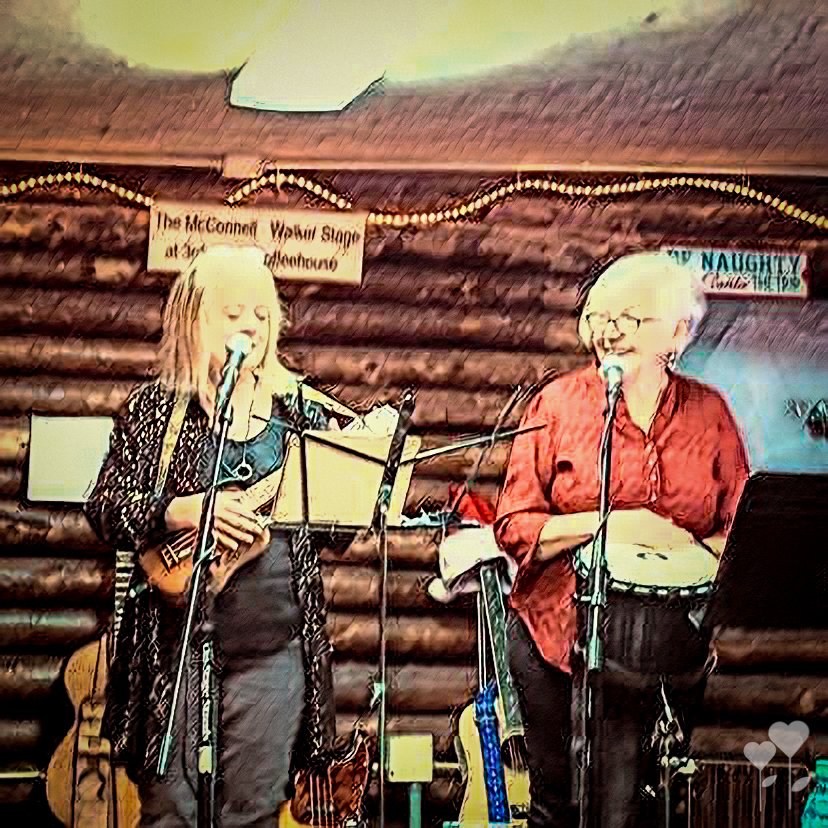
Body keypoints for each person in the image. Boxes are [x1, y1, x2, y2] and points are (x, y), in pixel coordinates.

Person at [494, 252, 750, 828]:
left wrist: (684, 550)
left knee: (638, 810)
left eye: (631, 318)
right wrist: (611, 522)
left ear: (678, 332)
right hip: (557, 638)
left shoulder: (710, 413)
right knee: (557, 809)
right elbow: (514, 524)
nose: (609, 330)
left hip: (667, 648)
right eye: (600, 315)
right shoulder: (557, 404)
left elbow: (738, 530)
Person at [85, 245, 335, 828]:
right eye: (233, 313)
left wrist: (358, 475)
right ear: (198, 321)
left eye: (261, 312)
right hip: (176, 649)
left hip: (274, 651)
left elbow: (335, 533)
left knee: (253, 812)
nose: (250, 324)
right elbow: (105, 509)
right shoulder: (157, 409)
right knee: (170, 810)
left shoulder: (302, 412)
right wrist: (181, 510)